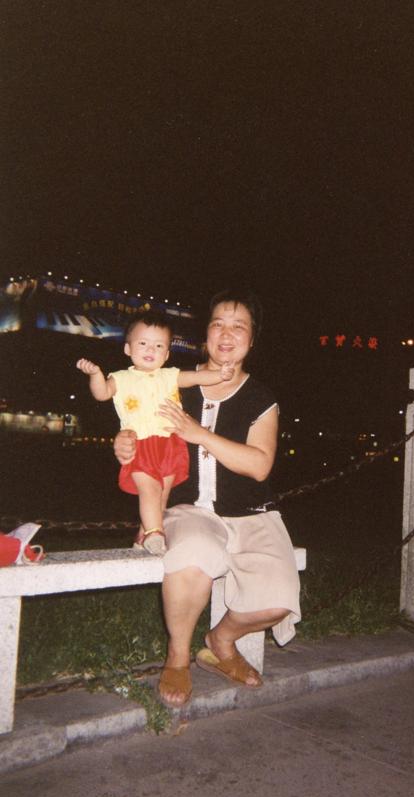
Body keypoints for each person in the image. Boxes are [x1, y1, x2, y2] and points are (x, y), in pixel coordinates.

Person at [114, 290, 301, 707]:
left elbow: (259, 465)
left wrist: (198, 434)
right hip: (189, 509)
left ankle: (221, 641)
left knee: (279, 599)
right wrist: (124, 445)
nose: (227, 334)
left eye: (239, 326)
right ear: (206, 334)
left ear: (252, 339)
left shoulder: (260, 398)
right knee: (193, 553)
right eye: (218, 324)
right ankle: (178, 657)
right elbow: (139, 432)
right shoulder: (170, 382)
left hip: (251, 512)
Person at [77, 310, 234, 554]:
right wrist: (95, 374)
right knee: (149, 491)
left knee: (161, 496)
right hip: (140, 445)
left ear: (167, 354)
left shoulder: (169, 375)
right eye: (143, 343)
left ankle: (143, 537)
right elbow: (101, 393)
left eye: (159, 345)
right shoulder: (121, 378)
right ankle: (154, 533)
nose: (151, 349)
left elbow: (196, 377)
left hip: (171, 444)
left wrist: (219, 375)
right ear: (128, 349)